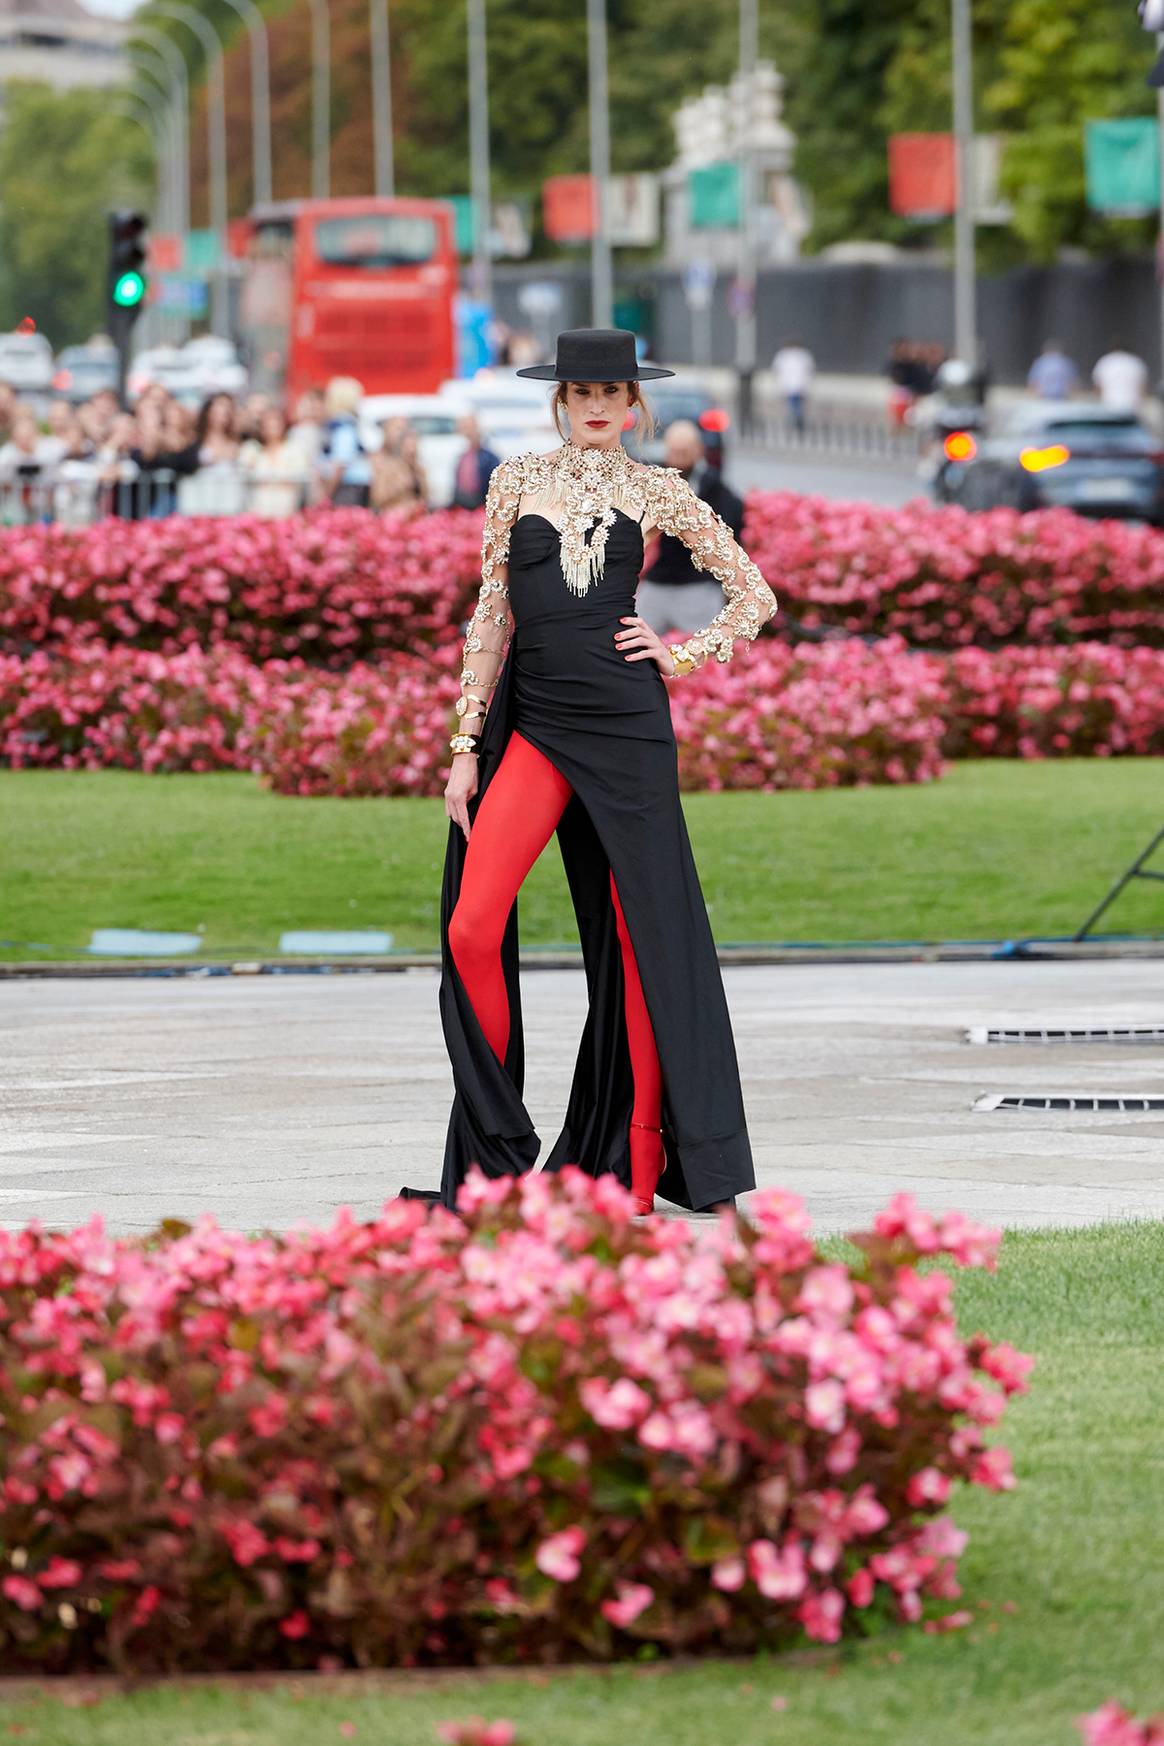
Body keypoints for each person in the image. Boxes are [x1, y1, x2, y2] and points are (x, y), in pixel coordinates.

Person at [397, 328, 778, 1220]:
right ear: (560, 401)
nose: (599, 405)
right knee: (472, 925)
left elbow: (754, 593)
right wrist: (464, 746)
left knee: (641, 943)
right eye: (582, 392)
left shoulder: (658, 490)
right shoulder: (515, 481)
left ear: (635, 404)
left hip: (628, 730)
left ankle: (638, 1170)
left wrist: (682, 654)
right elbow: (492, 613)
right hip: (539, 724)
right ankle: (496, 1156)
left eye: (614, 391)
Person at [636, 420, 746, 641]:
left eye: (683, 452)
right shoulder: (657, 481)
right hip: (659, 581)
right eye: (673, 452)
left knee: (705, 654)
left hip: (699, 585)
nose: (677, 458)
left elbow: (733, 533)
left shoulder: (715, 489)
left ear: (698, 451)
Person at [240, 404, 310, 517]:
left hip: (287, 511)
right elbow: (244, 473)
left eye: (276, 421)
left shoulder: (295, 449)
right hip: (257, 511)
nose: (272, 426)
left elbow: (300, 475)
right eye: (268, 422)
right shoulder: (251, 449)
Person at [319, 376, 371, 508]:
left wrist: (327, 492)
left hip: (347, 485)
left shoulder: (343, 426)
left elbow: (341, 463)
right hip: (352, 483)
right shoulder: (349, 423)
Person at [450, 412, 500, 509]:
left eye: (469, 427)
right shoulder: (459, 453)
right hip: (460, 503)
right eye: (463, 428)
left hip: (482, 503)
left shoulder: (488, 457)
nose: (467, 431)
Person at [771, 334, 815, 433]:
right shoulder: (800, 355)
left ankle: (794, 421)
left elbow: (777, 370)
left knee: (794, 405)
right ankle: (795, 421)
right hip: (793, 385)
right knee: (794, 404)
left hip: (796, 385)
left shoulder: (788, 355)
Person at [1092, 340, 1148, 413]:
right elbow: (1143, 389)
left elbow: (1097, 388)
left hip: (1109, 406)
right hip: (1132, 407)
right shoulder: (1136, 363)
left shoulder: (1105, 361)